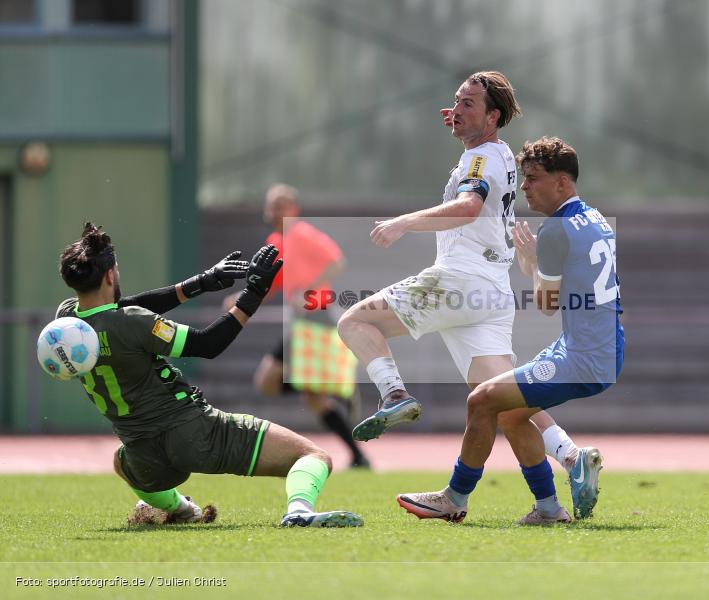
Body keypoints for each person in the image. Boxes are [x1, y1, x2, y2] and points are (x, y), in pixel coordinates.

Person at [336, 71, 604, 518]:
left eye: (469, 104)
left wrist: (402, 222)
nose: (457, 110)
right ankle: (566, 470)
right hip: (491, 292)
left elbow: (469, 206)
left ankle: (394, 395)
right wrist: (468, 116)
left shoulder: (480, 157)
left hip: (460, 281)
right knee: (505, 402)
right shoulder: (495, 153)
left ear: (493, 116)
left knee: (355, 322)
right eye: (456, 102)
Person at [56, 223, 362, 528]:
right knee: (313, 456)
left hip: (143, 457)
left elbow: (117, 310)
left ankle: (180, 508)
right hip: (197, 434)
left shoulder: (66, 319)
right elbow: (208, 344)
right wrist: (253, 294)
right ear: (110, 275)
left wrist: (200, 283)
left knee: (120, 461)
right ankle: (298, 510)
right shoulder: (132, 323)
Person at [396, 136, 624, 524]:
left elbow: (548, 305)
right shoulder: (594, 217)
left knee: (481, 400)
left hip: (584, 356)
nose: (524, 187)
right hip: (597, 345)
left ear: (563, 183)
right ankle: (549, 508)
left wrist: (531, 263)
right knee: (512, 413)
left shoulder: (555, 230)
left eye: (533, 178)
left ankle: (454, 497)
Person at [226, 184, 369, 469]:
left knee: (267, 381)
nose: (274, 211)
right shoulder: (276, 242)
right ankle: (358, 456)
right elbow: (273, 284)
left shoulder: (301, 233)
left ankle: (338, 387)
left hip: (317, 315)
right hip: (305, 320)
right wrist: (241, 300)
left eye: (280, 205)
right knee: (314, 399)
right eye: (271, 205)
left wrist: (309, 290)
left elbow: (336, 263)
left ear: (293, 209)